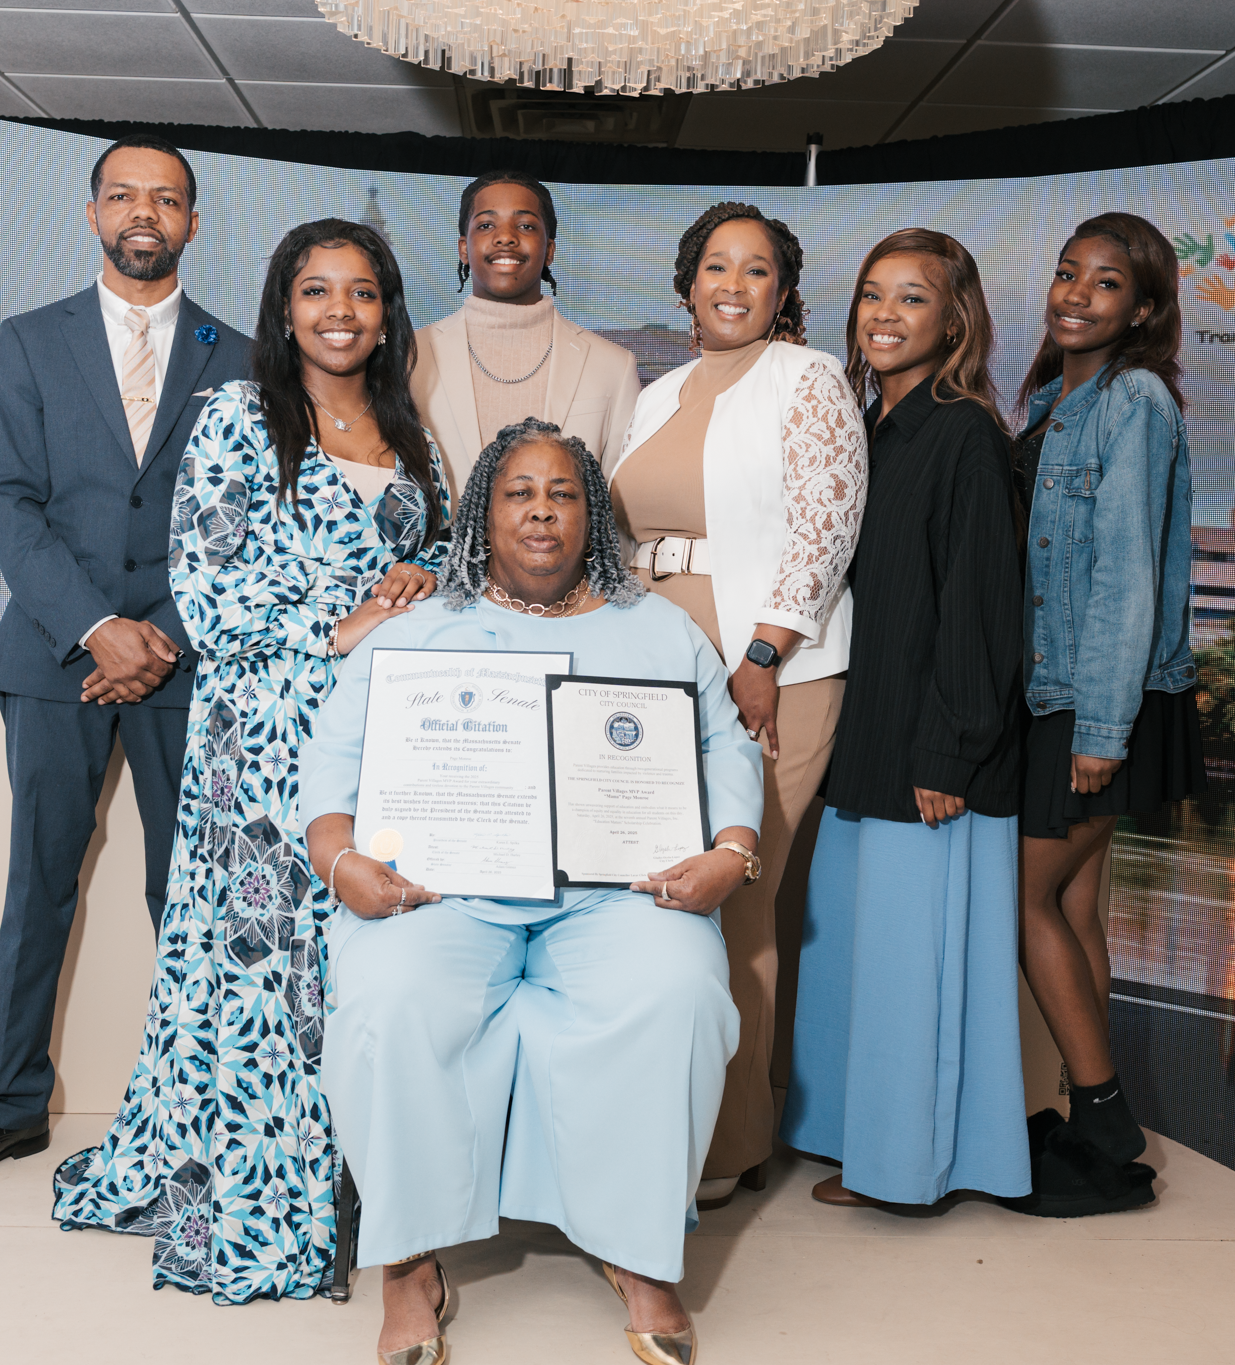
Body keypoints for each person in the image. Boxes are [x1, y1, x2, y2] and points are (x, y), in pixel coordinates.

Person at [302, 420, 760, 1365]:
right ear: (483, 512)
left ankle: (639, 1252)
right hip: (444, 896)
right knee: (389, 994)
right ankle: (407, 1261)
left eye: (563, 493)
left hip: (617, 896)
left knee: (677, 989)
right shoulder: (419, 629)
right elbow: (334, 757)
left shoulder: (660, 629)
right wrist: (341, 862)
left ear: (591, 515)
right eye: (519, 493)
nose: (542, 512)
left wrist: (732, 851)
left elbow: (725, 747)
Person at [50, 219, 449, 1301]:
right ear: (284, 308)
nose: (339, 311)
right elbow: (210, 582)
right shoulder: (238, 412)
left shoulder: (410, 432)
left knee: (359, 960)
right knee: (268, 966)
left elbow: (437, 555)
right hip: (269, 728)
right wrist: (347, 619)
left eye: (361, 292)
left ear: (387, 314)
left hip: (382, 737)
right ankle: (270, 1201)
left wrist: (421, 575)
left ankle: (373, 1195)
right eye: (316, 290)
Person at [0, 136, 252, 1192]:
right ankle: (4, 1109)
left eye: (167, 198)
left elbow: (241, 521)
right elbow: (7, 495)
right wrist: (98, 627)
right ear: (92, 213)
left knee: (189, 893)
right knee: (37, 884)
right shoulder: (29, 340)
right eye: (124, 195)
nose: (145, 212)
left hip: (187, 661)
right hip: (57, 655)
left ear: (193, 222)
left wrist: (161, 635)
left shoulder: (239, 358)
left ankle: (204, 1108)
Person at [608, 201, 866, 1208]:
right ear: (686, 287)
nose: (732, 284)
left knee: (739, 894)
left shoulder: (807, 377)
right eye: (715, 266)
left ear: (783, 292)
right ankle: (651, 1121)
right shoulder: (657, 393)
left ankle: (729, 1141)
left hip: (772, 670)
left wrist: (762, 650)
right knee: (660, 895)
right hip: (659, 663)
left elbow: (826, 525)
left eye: (756, 269)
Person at [779, 229, 1030, 1210]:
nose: (884, 315)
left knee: (909, 972)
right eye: (872, 295)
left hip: (930, 752)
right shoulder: (865, 428)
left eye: (912, 298)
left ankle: (905, 1171)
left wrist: (949, 752)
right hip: (865, 740)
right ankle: (858, 1143)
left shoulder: (964, 435)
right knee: (859, 964)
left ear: (954, 321)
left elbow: (979, 604)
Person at [1010, 211, 1206, 1216]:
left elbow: (1127, 574)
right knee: (1075, 905)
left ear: (1142, 309)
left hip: (1094, 694)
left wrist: (1097, 731)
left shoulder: (1133, 400)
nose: (1076, 294)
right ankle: (1094, 1133)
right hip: (1074, 689)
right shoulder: (1055, 399)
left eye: (1105, 283)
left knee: (1025, 902)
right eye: (1066, 273)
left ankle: (1102, 1115)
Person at [411, 170, 642, 489]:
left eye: (526, 226)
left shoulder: (614, 366)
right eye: (486, 225)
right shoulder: (410, 356)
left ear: (549, 250)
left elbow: (620, 500)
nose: (505, 237)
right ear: (463, 248)